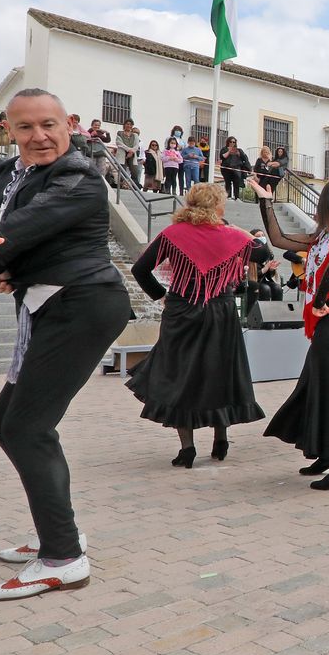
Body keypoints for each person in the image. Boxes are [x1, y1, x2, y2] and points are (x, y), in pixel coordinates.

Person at [0, 88, 130, 601]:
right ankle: (58, 535)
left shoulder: (80, 177)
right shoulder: (7, 171)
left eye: (48, 124)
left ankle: (63, 557)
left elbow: (10, 235)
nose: (38, 136)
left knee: (27, 425)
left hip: (84, 304)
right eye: (25, 127)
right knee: (5, 421)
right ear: (9, 129)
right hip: (45, 306)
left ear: (69, 123)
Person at [125, 183, 264, 466]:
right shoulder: (230, 236)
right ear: (217, 207)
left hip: (182, 309)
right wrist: (238, 230)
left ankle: (187, 449)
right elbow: (263, 253)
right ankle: (220, 440)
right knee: (219, 372)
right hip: (221, 311)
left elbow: (140, 269)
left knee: (180, 375)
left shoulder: (172, 234)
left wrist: (162, 296)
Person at [250, 176, 329, 490]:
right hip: (327, 318)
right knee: (316, 387)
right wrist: (265, 200)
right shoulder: (321, 236)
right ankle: (327, 454)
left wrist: (322, 300)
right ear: (326, 201)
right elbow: (278, 237)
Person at [114, 119, 141, 185]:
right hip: (122, 153)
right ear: (124, 125)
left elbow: (136, 145)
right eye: (127, 124)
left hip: (132, 154)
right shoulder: (120, 133)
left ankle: (134, 185)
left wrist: (132, 152)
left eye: (130, 124)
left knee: (135, 171)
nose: (128, 125)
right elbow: (119, 143)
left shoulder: (135, 135)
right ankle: (122, 184)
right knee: (122, 170)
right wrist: (129, 150)